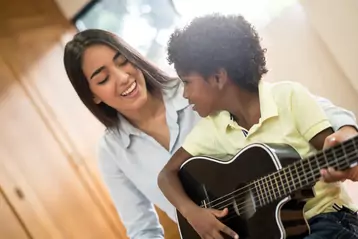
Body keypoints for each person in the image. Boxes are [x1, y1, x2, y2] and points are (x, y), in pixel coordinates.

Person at [63, 28, 358, 239]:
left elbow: (289, 106)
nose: (123, 77)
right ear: (93, 96)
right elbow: (143, 229)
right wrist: (192, 213)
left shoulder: (197, 89)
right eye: (102, 78)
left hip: (297, 217)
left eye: (122, 61)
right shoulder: (112, 152)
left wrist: (344, 133)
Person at [158, 14, 358, 239]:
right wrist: (192, 212)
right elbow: (166, 174)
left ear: (217, 77)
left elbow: (339, 153)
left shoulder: (288, 97)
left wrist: (348, 162)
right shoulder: (212, 129)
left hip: (325, 218)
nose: (185, 94)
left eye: (186, 82)